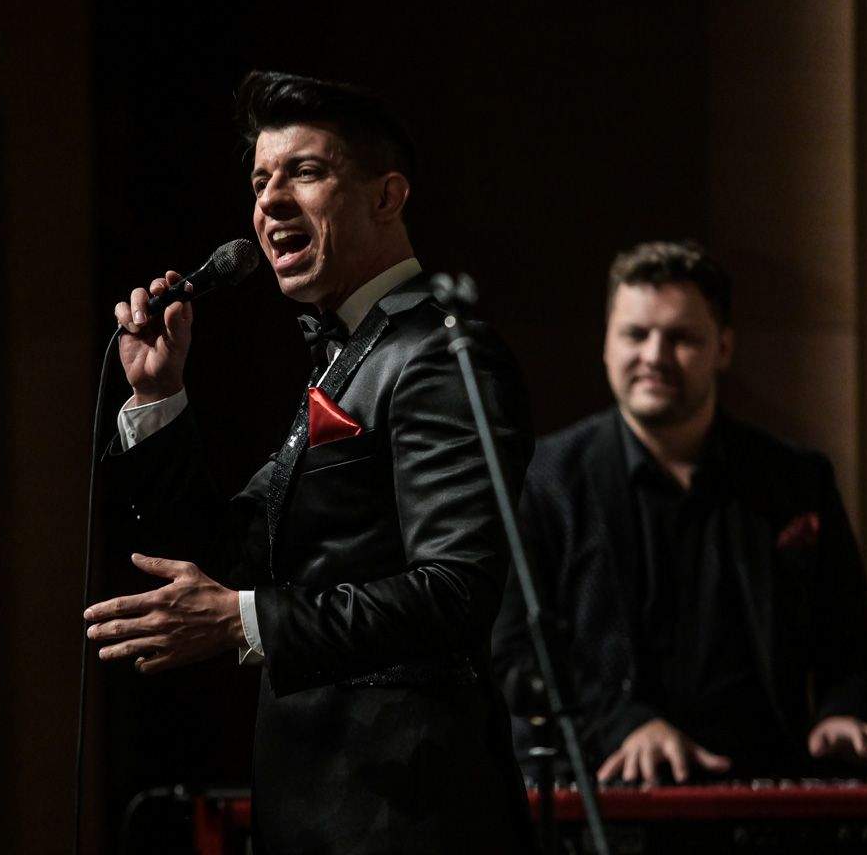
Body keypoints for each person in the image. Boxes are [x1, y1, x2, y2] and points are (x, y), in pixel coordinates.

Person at [84, 71, 534, 853]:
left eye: (304, 172)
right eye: (259, 182)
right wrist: (157, 399)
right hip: (324, 811)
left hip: (404, 815)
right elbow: (228, 554)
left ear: (386, 197)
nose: (270, 201)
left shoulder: (435, 355)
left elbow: (456, 589)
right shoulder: (350, 356)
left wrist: (244, 619)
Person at [492, 240, 867, 785]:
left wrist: (842, 712)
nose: (654, 356)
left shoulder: (796, 479)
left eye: (682, 338)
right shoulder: (544, 480)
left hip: (764, 791)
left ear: (724, 348)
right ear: (606, 345)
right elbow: (513, 652)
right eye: (635, 335)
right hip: (604, 788)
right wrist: (626, 725)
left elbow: (854, 646)